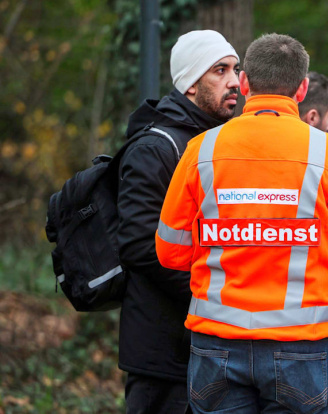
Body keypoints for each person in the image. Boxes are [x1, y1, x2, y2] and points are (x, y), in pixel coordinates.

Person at [155, 33, 328, 414]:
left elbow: (170, 252)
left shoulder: (202, 150)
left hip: (217, 343)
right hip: (303, 345)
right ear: (302, 89)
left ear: (245, 83)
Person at [117, 30, 240, 414]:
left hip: (212, 345)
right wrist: (215, 295)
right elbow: (139, 245)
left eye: (235, 69)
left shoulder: (222, 142)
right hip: (162, 355)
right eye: (220, 70)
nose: (235, 82)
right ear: (190, 83)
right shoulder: (155, 147)